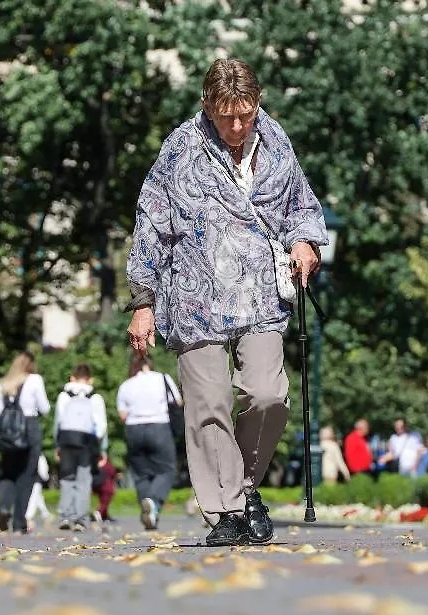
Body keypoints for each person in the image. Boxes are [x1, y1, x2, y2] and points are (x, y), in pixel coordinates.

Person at [125, 58, 328, 546]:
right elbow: (149, 223)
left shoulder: (276, 141)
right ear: (207, 107)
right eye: (225, 117)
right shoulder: (181, 148)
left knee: (267, 394)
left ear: (258, 104)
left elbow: (301, 206)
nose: (237, 126)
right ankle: (227, 511)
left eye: (246, 115)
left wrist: (305, 243)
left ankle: (243, 485)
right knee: (209, 404)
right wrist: (143, 301)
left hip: (259, 293)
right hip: (194, 297)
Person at [116, 355, 181, 530]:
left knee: (140, 474)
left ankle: (150, 511)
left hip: (134, 430)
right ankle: (153, 501)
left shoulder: (126, 385)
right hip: (159, 427)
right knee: (167, 470)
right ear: (149, 364)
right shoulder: (163, 378)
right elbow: (178, 401)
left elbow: (122, 415)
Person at [0, 351, 51, 533]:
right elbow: (45, 408)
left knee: (7, 473)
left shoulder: (3, 383)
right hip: (29, 428)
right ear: (30, 365)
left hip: (7, 433)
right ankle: (19, 523)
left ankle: (3, 508)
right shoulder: (35, 380)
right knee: (26, 476)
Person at [53, 363, 108, 532]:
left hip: (67, 439)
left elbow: (58, 421)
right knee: (84, 480)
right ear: (90, 379)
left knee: (67, 477)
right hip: (86, 441)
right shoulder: (95, 397)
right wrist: (102, 449)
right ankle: (80, 519)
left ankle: (64, 515)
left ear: (72, 377)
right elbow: (102, 425)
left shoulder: (64, 395)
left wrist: (57, 444)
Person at [25, 451, 53, 528]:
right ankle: (29, 516)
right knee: (34, 497)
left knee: (38, 497)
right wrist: (46, 477)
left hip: (27, 480)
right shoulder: (39, 455)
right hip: (36, 480)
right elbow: (43, 469)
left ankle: (45, 513)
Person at [91, 454, 119, 523]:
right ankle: (98, 513)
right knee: (105, 502)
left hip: (98, 486)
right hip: (107, 486)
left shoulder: (96, 464)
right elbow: (113, 474)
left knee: (102, 501)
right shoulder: (107, 465)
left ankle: (105, 516)